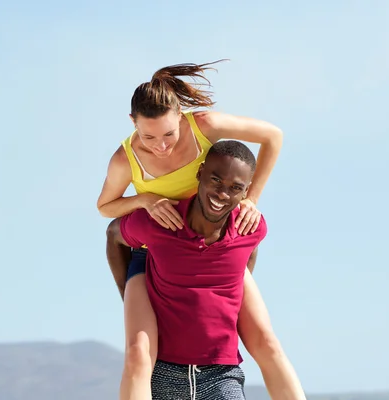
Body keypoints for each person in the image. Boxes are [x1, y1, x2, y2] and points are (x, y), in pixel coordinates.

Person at [98, 60, 305, 400]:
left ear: (180, 115)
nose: (160, 145)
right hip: (153, 251)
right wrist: (146, 199)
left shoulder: (204, 126)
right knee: (138, 355)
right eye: (148, 136)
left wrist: (251, 199)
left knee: (267, 341)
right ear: (132, 123)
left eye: (168, 134)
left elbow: (273, 137)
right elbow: (105, 207)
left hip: (214, 246)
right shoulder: (125, 159)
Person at [108, 141, 270, 399]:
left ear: (246, 191)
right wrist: (129, 291)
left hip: (221, 375)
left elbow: (249, 246)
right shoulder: (161, 223)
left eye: (235, 188)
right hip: (161, 374)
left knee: (270, 346)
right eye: (216, 180)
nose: (222, 194)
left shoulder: (249, 227)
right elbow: (114, 233)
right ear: (200, 173)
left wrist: (230, 293)